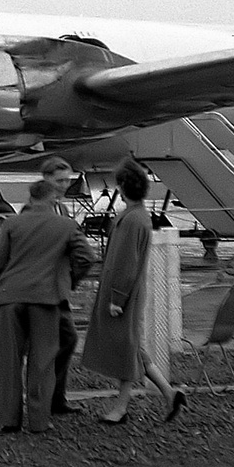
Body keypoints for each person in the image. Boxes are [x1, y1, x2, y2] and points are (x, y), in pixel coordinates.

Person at [81, 158, 187, 424]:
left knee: (125, 349)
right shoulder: (138, 217)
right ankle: (169, 393)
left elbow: (126, 262)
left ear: (122, 187)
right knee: (132, 347)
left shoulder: (131, 220)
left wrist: (117, 298)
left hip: (122, 295)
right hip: (127, 292)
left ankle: (121, 407)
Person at [0, 179, 99, 434]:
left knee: (7, 361)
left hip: (10, 297)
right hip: (46, 298)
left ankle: (7, 419)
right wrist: (69, 280)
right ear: (53, 200)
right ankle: (39, 420)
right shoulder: (66, 225)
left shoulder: (11, 223)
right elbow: (87, 257)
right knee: (42, 361)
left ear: (30, 198)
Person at [38, 155, 88, 415]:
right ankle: (47, 400)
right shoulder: (37, 209)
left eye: (67, 181)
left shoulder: (63, 210)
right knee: (60, 341)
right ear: (45, 179)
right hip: (44, 290)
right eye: (59, 181)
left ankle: (55, 397)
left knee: (66, 340)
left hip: (59, 288)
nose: (63, 186)